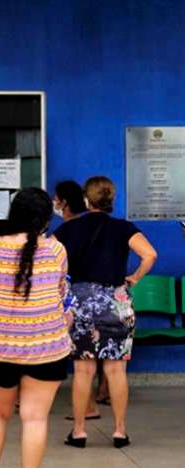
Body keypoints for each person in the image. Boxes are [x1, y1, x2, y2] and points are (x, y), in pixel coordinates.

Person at [0, 188, 72, 468]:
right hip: (46, 346)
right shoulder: (56, 250)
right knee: (35, 418)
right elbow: (59, 293)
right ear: (45, 218)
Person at [56, 176, 157, 449]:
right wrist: (134, 278)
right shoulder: (124, 228)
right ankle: (120, 431)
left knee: (82, 370)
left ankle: (78, 432)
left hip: (82, 303)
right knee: (116, 370)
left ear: (86, 200)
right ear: (111, 200)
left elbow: (50, 258)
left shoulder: (68, 229)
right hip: (117, 302)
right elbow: (150, 255)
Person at [53, 180, 107, 420]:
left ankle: (87, 408)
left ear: (63, 202)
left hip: (77, 296)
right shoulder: (106, 226)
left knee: (82, 356)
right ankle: (98, 399)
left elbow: (46, 255)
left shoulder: (67, 230)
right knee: (102, 353)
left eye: (56, 198)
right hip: (106, 295)